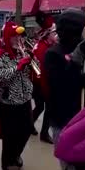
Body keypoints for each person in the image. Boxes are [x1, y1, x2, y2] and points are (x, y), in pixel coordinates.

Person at [44, 9, 85, 146]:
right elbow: (60, 85)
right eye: (84, 28)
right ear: (74, 29)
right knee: (70, 165)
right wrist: (75, 59)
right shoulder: (53, 54)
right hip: (65, 120)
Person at [0, 22, 34, 170]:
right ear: (8, 37)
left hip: (25, 99)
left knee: (26, 130)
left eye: (19, 35)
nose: (18, 39)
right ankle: (7, 162)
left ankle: (15, 155)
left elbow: (34, 70)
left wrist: (31, 60)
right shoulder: (1, 55)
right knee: (10, 136)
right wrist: (18, 66)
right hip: (9, 102)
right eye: (14, 36)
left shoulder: (23, 52)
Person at [32, 12, 57, 143]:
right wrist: (47, 89)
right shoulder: (43, 49)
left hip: (41, 83)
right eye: (54, 33)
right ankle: (43, 133)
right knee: (46, 107)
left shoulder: (48, 46)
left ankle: (30, 125)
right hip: (40, 84)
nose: (56, 35)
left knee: (43, 107)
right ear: (47, 35)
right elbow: (42, 72)